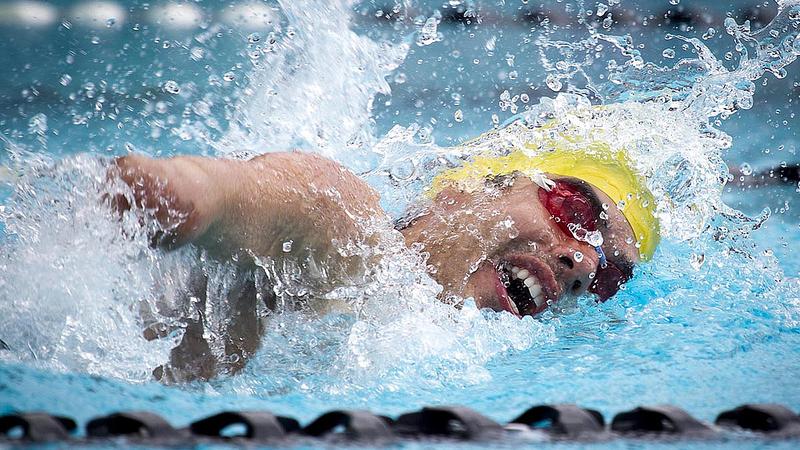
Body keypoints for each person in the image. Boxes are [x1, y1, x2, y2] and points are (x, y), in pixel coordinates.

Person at [108, 122, 659, 381]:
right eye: (576, 214)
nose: (585, 262)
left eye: (610, 275)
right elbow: (307, 201)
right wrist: (187, 194)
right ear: (470, 188)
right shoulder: (358, 242)